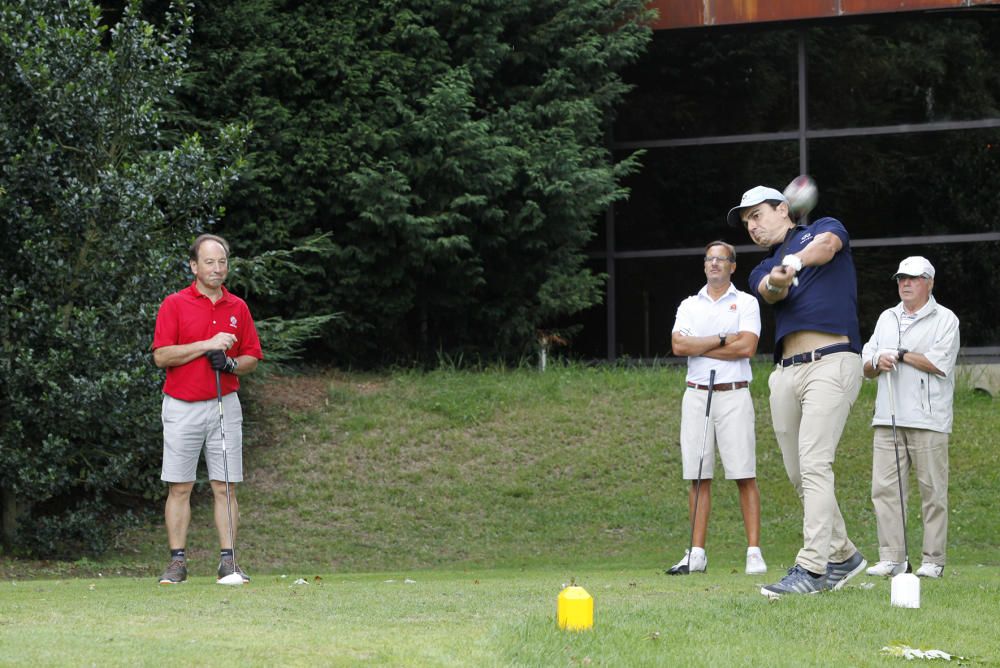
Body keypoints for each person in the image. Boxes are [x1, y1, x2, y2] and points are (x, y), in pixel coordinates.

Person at [727, 185, 866, 598]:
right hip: (786, 373)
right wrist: (779, 275)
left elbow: (827, 246)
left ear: (783, 209)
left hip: (832, 359)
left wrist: (795, 259)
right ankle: (843, 555)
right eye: (747, 220)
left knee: (814, 464)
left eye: (757, 215)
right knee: (798, 473)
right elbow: (772, 291)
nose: (752, 226)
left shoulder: (822, 227)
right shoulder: (762, 268)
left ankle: (812, 567)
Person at [152, 234, 263, 585]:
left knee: (225, 486)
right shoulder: (174, 304)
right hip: (182, 406)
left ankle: (228, 562)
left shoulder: (238, 308)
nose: (218, 269)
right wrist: (206, 346)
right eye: (210, 262)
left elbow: (251, 358)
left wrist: (229, 364)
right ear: (194, 266)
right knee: (180, 486)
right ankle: (177, 563)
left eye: (223, 262)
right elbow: (162, 356)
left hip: (224, 405)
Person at [668, 241, 767, 576]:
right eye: (709, 259)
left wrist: (703, 344)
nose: (714, 264)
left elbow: (748, 347)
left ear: (732, 266)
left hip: (734, 394)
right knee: (697, 475)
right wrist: (724, 338)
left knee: (744, 473)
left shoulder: (746, 302)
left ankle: (753, 551)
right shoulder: (688, 304)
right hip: (696, 394)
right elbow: (679, 345)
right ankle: (696, 553)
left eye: (721, 259)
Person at [861, 256, 959, 579]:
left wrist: (899, 355)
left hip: (928, 418)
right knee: (885, 490)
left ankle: (933, 560)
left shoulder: (946, 320)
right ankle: (893, 558)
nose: (905, 283)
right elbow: (867, 362)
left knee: (932, 491)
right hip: (887, 415)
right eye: (901, 278)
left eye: (913, 279)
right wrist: (878, 360)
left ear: (929, 283)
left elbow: (938, 362)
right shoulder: (886, 317)